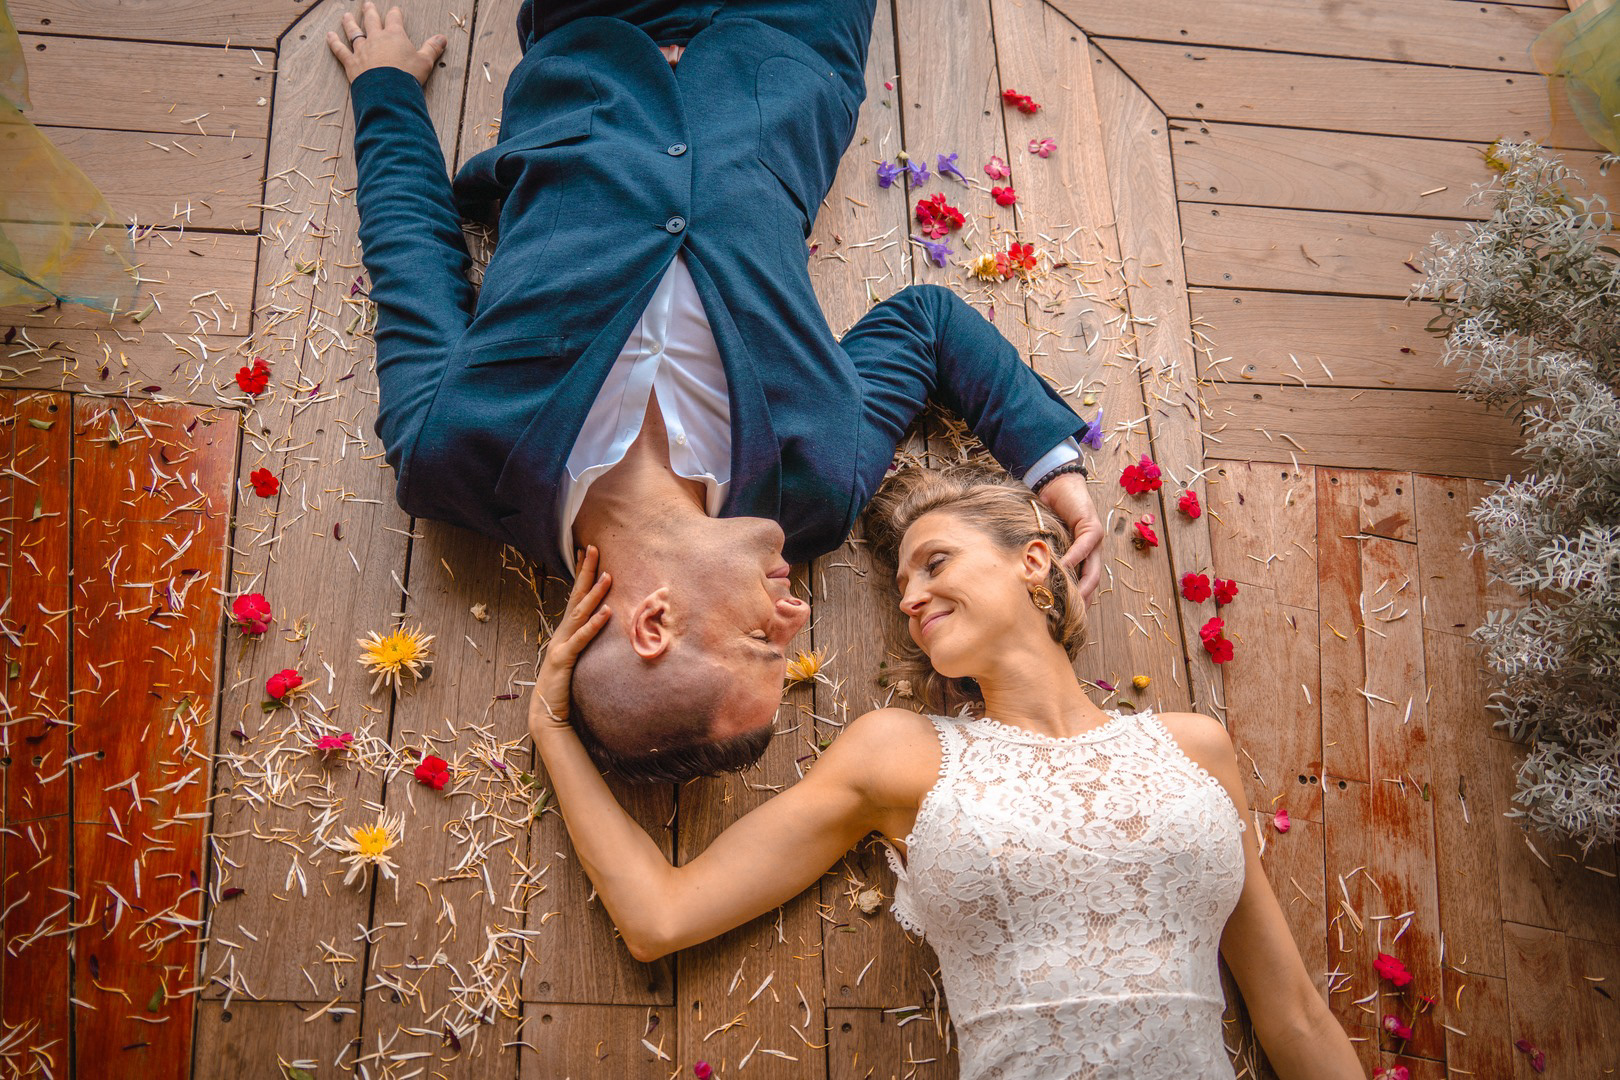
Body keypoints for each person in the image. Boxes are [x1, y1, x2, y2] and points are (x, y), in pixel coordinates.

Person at [325, 1, 1104, 783]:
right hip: (790, 41)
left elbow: (413, 257)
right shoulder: (815, 492)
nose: (795, 615)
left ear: (654, 623)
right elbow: (925, 325)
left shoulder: (451, 454)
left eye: (762, 640)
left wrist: (385, 88)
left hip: (594, 35)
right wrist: (1052, 469)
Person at [527, 465, 1364, 1079]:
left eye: (935, 563)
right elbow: (661, 916)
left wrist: (1056, 460)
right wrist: (554, 725)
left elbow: (1292, 1015)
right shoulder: (903, 754)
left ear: (1033, 562)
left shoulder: (1197, 747)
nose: (910, 598)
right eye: (901, 585)